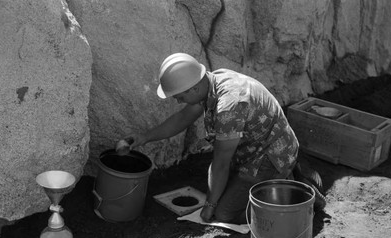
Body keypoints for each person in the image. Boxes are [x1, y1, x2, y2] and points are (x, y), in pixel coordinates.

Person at [123, 53, 322, 224]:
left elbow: (220, 164)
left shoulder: (229, 106)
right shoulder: (212, 81)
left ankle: (292, 193)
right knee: (221, 189)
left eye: (180, 97)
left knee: (225, 213)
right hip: (257, 149)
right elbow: (183, 118)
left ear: (193, 89)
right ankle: (284, 178)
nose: (177, 101)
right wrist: (144, 138)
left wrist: (210, 206)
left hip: (270, 156)